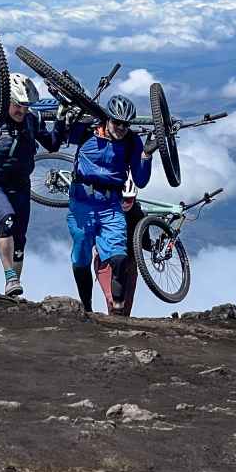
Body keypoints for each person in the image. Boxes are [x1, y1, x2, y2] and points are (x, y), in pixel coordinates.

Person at [58, 94, 161, 314]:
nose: (121, 127)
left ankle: (118, 309)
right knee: (81, 256)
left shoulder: (131, 141)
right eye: (117, 122)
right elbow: (56, 138)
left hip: (110, 205)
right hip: (81, 204)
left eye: (126, 124)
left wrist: (146, 156)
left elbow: (140, 180)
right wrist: (65, 119)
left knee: (119, 258)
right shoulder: (87, 132)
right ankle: (86, 307)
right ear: (108, 119)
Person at [0, 73, 61, 297]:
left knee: (20, 239)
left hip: (21, 185)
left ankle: (12, 291)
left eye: (26, 106)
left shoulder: (31, 120)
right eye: (18, 105)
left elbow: (52, 144)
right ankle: (10, 277)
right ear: (7, 101)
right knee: (7, 220)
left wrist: (63, 120)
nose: (22, 111)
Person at [93, 173, 148, 316]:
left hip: (129, 263)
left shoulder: (139, 215)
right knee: (114, 302)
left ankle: (119, 332)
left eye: (128, 199)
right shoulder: (106, 211)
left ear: (134, 198)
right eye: (122, 199)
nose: (125, 202)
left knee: (126, 306)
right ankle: (114, 330)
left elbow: (146, 243)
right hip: (106, 262)